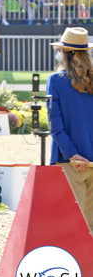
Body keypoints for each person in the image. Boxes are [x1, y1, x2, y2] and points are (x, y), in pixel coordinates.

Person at [47, 27, 93, 232]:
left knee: (70, 228)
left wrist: (73, 154)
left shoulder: (55, 81)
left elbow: (55, 126)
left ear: (63, 53)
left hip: (69, 161)